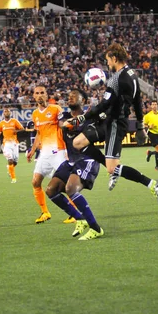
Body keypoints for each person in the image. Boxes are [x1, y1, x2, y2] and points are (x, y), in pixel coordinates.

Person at [68, 43, 158, 204]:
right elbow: (137, 101)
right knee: (78, 142)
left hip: (115, 124)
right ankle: (110, 168)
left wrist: (82, 118)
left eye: (108, 60)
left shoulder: (115, 80)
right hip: (108, 120)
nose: (108, 64)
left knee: (113, 168)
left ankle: (153, 184)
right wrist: (140, 125)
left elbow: (103, 105)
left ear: (114, 58)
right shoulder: (132, 74)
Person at [45, 88, 104, 240]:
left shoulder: (91, 118)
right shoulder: (64, 116)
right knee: (51, 190)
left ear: (83, 101)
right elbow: (63, 125)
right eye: (69, 96)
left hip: (87, 159)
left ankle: (95, 228)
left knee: (70, 188)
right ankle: (79, 218)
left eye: (74, 96)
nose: (70, 97)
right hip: (71, 161)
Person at [26, 85, 70, 224]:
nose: (39, 95)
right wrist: (32, 151)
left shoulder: (56, 109)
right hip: (44, 153)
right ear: (33, 96)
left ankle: (74, 212)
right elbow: (39, 133)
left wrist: (69, 149)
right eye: (37, 93)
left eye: (42, 93)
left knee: (67, 185)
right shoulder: (35, 114)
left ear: (47, 95)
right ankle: (45, 212)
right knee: (35, 182)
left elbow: (65, 126)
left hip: (58, 151)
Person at [0, 108, 24, 183]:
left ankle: (9, 168)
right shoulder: (1, 123)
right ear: (3, 114)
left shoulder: (14, 121)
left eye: (8, 111)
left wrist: (16, 130)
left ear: (10, 113)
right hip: (6, 144)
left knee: (15, 161)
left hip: (15, 143)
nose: (7, 112)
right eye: (5, 111)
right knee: (10, 160)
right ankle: (13, 178)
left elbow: (22, 128)